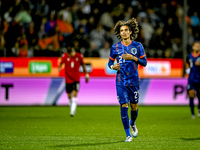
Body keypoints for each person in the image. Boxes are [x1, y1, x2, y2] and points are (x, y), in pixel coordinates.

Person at [108, 18, 147, 142]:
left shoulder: (138, 46)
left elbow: (144, 62)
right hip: (121, 81)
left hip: (134, 81)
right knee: (124, 105)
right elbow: (109, 63)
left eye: (125, 30)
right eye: (121, 31)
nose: (123, 32)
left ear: (130, 32)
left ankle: (133, 122)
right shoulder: (115, 47)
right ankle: (128, 135)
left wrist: (133, 58)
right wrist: (113, 66)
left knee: (134, 107)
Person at [58, 46, 89, 117]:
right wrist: (59, 67)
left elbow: (83, 65)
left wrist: (86, 74)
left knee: (75, 93)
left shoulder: (79, 56)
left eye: (74, 51)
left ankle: (72, 111)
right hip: (68, 79)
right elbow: (61, 63)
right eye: (72, 52)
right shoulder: (65, 56)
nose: (74, 53)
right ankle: (72, 108)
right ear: (69, 53)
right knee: (69, 95)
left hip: (76, 79)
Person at [186, 42, 200, 119]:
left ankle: (199, 108)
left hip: (199, 77)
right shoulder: (189, 56)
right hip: (191, 77)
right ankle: (192, 113)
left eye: (199, 46)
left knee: (199, 95)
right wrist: (187, 70)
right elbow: (187, 64)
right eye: (196, 46)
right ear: (193, 47)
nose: (197, 47)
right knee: (191, 94)